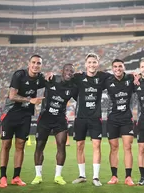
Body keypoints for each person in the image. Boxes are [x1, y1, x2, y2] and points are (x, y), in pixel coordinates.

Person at [0, 55, 47, 188]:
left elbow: (52, 83)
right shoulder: (19, 75)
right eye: (33, 62)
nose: (36, 65)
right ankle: (3, 176)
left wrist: (51, 77)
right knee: (6, 144)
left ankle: (16, 177)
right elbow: (12, 95)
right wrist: (29, 100)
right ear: (29, 63)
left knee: (20, 145)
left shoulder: (40, 78)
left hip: (26, 116)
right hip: (10, 114)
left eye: (38, 63)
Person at [31, 63, 78, 185]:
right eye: (67, 70)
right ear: (62, 71)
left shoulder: (73, 87)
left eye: (71, 71)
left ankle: (58, 176)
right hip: (45, 118)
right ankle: (38, 176)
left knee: (61, 146)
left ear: (73, 73)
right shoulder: (51, 79)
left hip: (60, 119)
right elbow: (35, 79)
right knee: (39, 146)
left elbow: (82, 97)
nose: (69, 72)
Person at [71, 53, 112, 187]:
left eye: (94, 62)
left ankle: (95, 177)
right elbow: (65, 78)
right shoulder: (78, 77)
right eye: (89, 62)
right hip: (80, 117)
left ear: (98, 64)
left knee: (96, 146)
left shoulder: (103, 77)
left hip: (95, 118)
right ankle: (82, 175)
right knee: (79, 146)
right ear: (85, 64)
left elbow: (118, 77)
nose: (92, 65)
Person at [104, 59, 135, 186]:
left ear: (124, 67)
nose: (118, 68)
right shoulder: (107, 81)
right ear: (112, 68)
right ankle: (114, 176)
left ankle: (128, 176)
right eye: (115, 66)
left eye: (120, 66)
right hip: (112, 119)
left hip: (127, 119)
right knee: (114, 147)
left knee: (128, 147)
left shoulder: (130, 79)